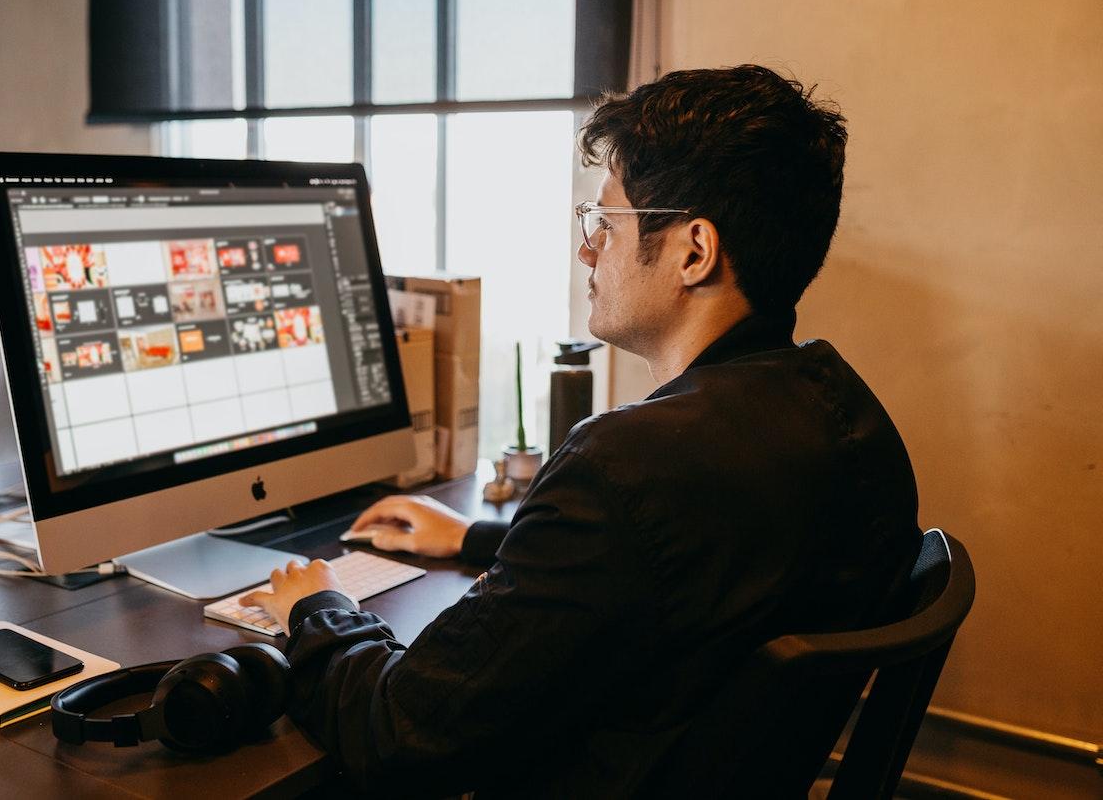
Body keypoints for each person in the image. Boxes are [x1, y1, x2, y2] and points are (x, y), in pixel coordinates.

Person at [244, 65, 922, 797]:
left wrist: (318, 608)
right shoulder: (851, 421)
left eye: (607, 222)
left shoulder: (624, 464)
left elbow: (402, 729)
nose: (587, 251)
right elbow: (689, 568)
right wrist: (476, 539)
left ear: (694, 250)